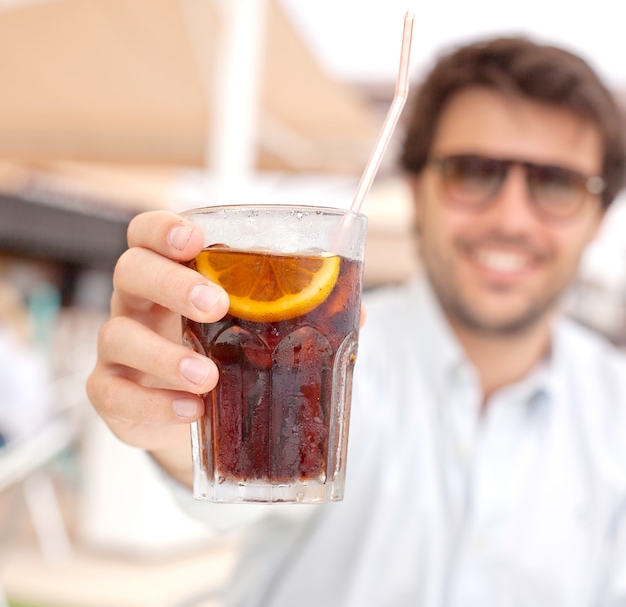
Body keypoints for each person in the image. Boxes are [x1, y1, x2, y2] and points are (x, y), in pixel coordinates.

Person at [87, 36, 626, 606]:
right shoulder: (329, 351)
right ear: (417, 188)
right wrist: (189, 419)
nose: (511, 217)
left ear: (599, 217)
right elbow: (240, 501)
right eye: (474, 172)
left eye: (557, 184)